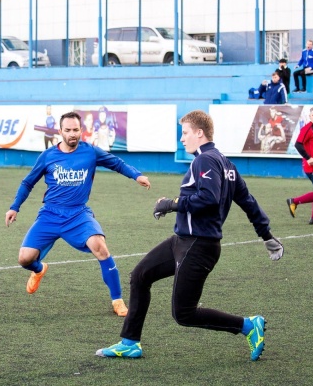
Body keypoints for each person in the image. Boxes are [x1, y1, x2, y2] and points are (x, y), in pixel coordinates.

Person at [96, 110, 284, 361]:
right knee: (140, 276)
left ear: (199, 133)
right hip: (182, 241)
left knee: (184, 314)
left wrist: (170, 204)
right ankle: (130, 342)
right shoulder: (227, 165)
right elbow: (249, 203)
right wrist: (266, 235)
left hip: (199, 246)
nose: (182, 138)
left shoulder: (204, 160)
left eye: (185, 133)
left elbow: (208, 198)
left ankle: (249, 325)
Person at [5, 111, 152, 317]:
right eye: (68, 130)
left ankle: (117, 300)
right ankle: (39, 269)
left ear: (81, 130)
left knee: (100, 247)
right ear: (60, 131)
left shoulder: (90, 152)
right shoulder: (48, 156)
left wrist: (136, 176)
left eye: (75, 130)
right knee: (24, 259)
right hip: (50, 214)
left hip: (77, 214)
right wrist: (15, 207)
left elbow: (117, 163)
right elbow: (28, 182)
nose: (72, 134)